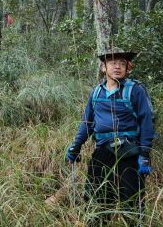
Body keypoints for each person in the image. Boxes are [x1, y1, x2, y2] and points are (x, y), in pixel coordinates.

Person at [64, 47, 155, 225]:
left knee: (132, 201)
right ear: (103, 67)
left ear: (128, 68)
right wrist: (76, 146)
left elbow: (147, 122)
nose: (117, 67)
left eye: (122, 63)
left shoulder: (135, 90)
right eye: (113, 63)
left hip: (129, 152)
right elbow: (87, 123)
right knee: (96, 199)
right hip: (102, 151)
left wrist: (144, 155)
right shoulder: (96, 93)